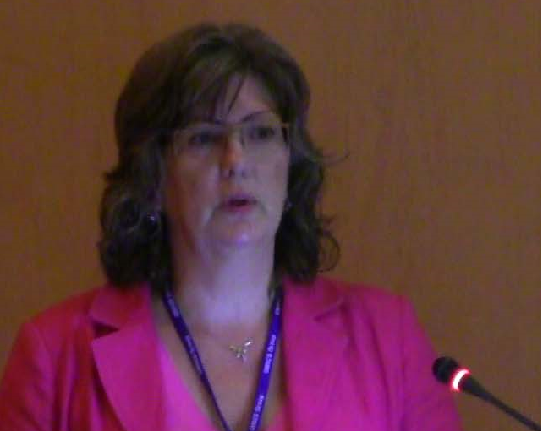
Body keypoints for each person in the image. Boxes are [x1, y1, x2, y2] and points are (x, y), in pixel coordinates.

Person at [0, 22, 462, 431]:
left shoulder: (388, 337)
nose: (236, 160)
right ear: (152, 179)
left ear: (291, 166)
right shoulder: (54, 354)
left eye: (260, 133)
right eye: (203, 138)